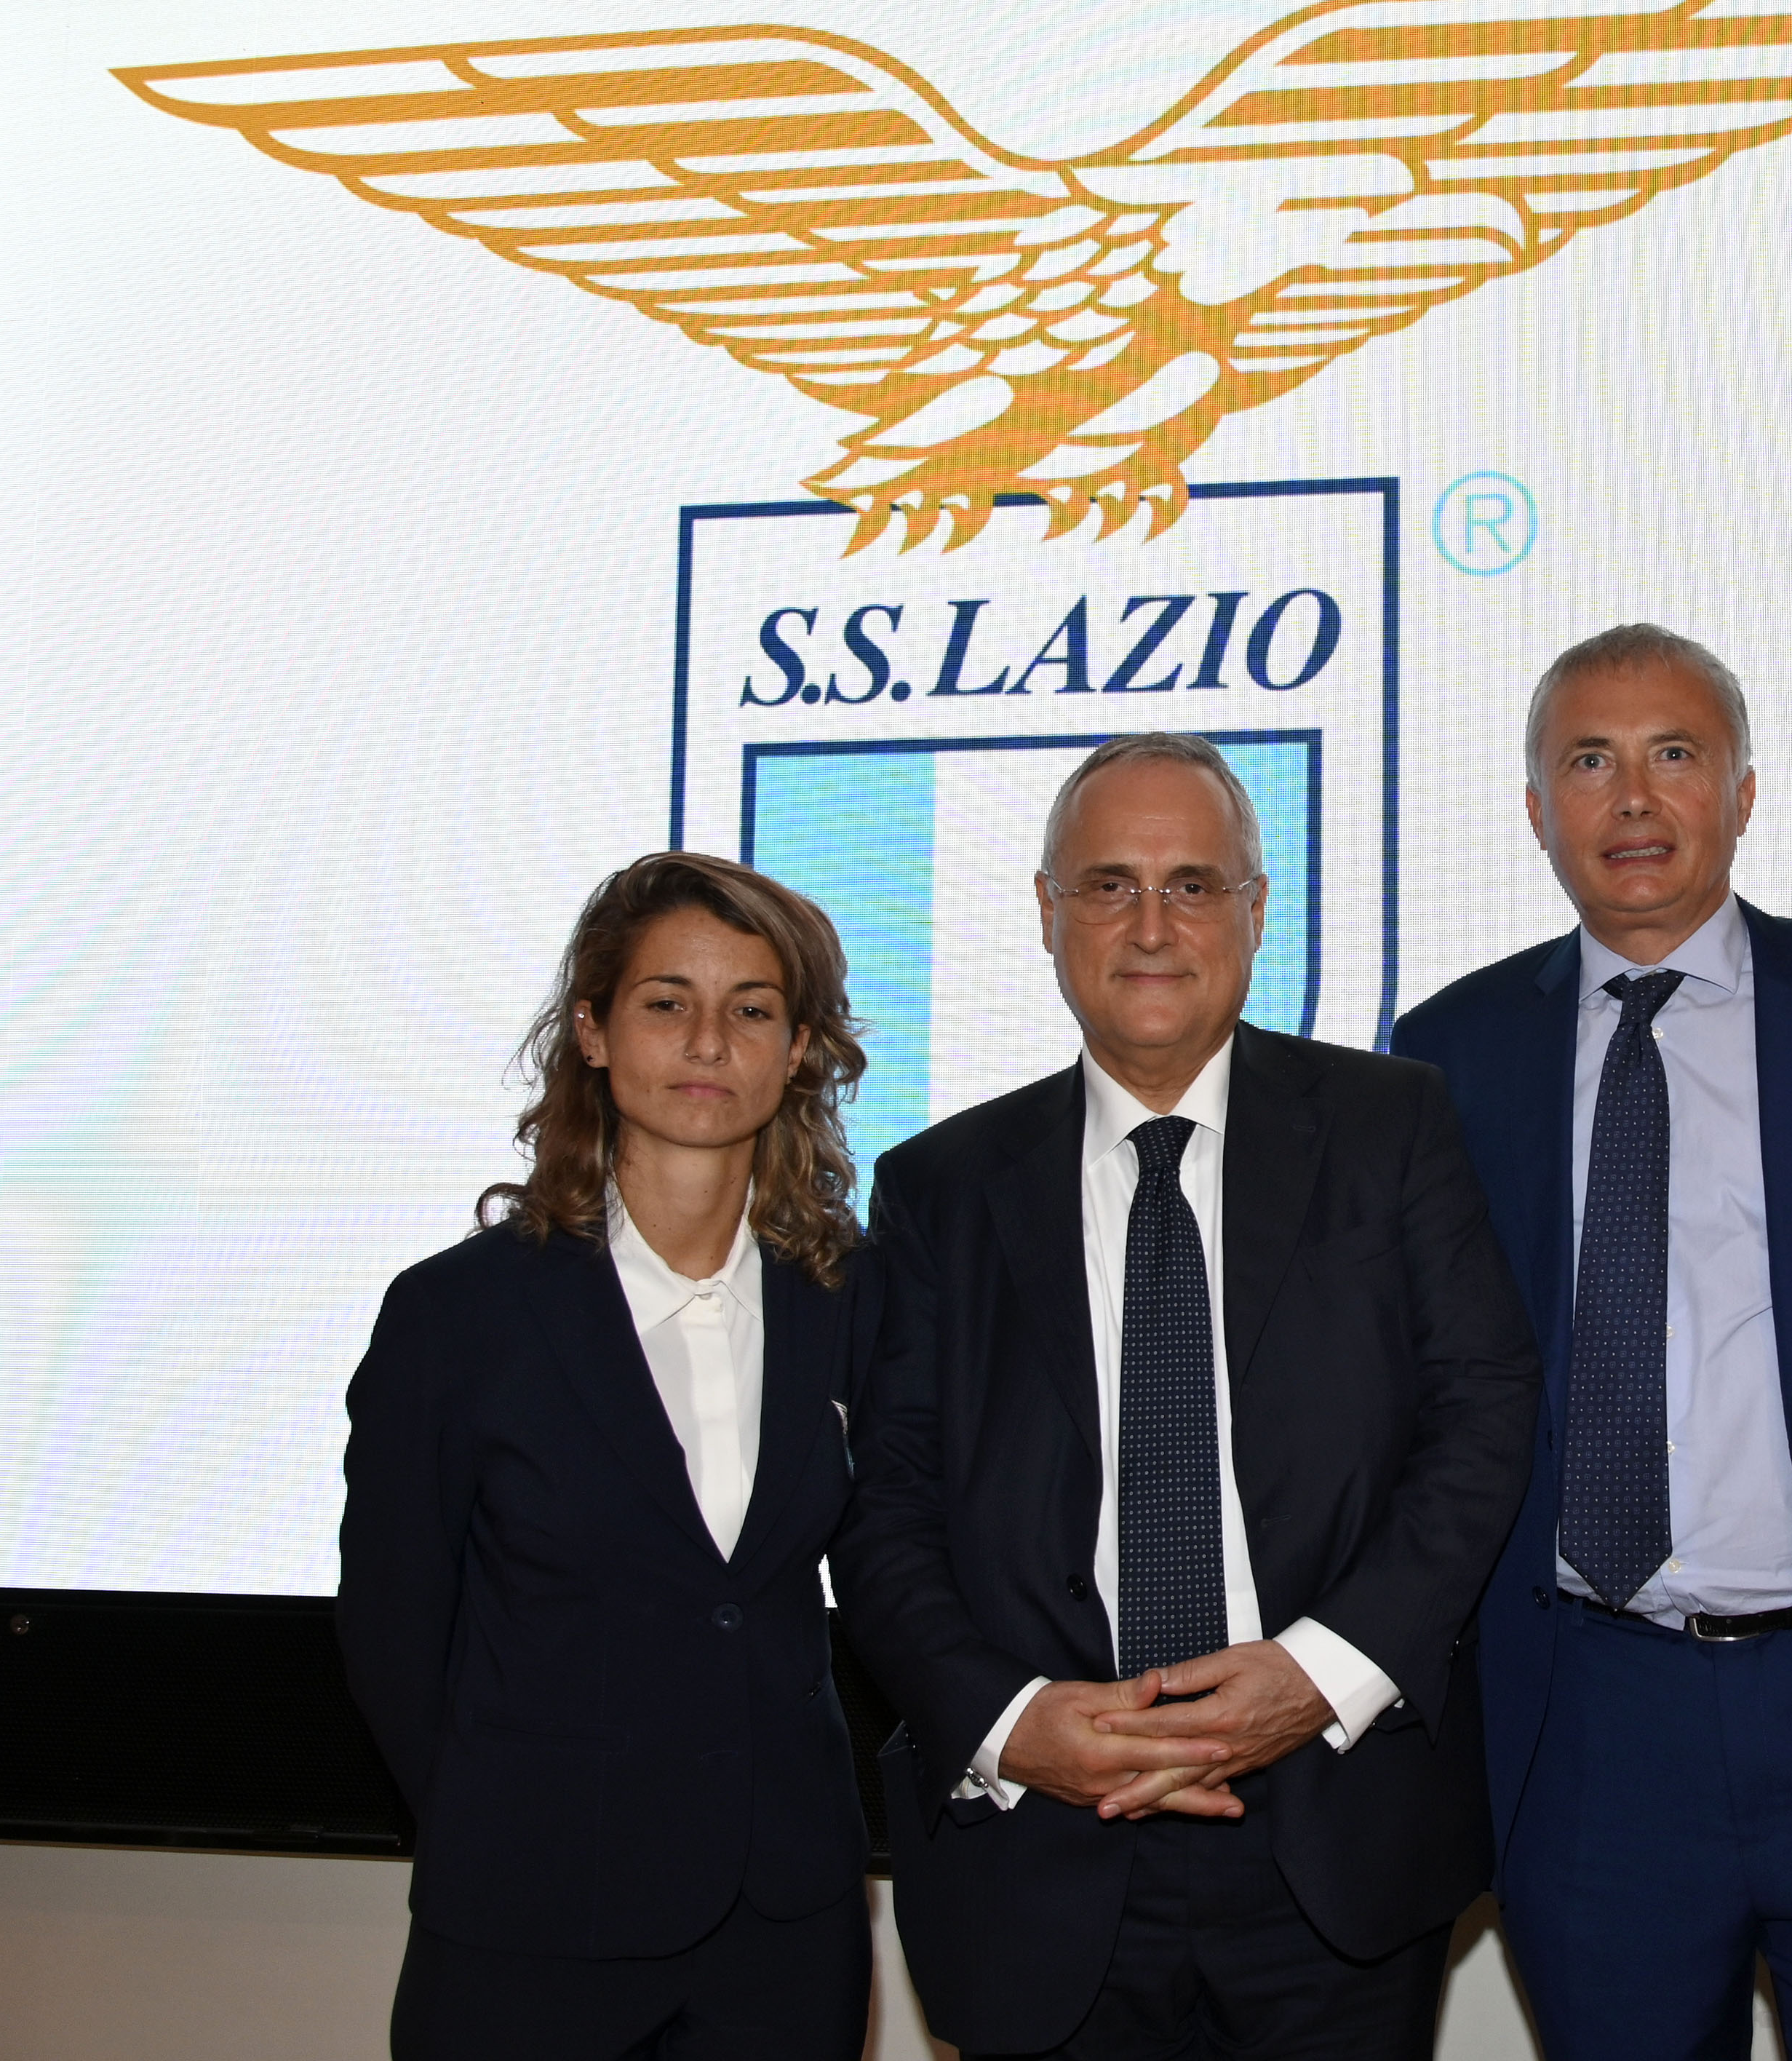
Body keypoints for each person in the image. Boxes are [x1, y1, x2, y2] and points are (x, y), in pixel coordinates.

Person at [830, 732, 1540, 2060]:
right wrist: (1015, 1724)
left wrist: (1317, 1675)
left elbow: (1484, 1415)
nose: (1151, 926)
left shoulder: (1390, 1126)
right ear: (1048, 913)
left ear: (1255, 910)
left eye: (1194, 885)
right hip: (1041, 1853)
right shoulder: (939, 1189)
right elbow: (884, 1512)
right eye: (1108, 885)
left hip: (1332, 1833)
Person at [1390, 624, 1792, 2061]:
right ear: (1536, 810)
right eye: (1589, 762)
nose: (1633, 797)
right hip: (1589, 1723)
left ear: (1742, 792)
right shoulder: (1445, 1054)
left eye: (1674, 754)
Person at [338, 851, 879, 2061]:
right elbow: (393, 1629)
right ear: (591, 1030)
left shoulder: (854, 1299)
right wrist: (504, 1828)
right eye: (665, 1002)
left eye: (752, 1009)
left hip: (784, 1931)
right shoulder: (458, 1315)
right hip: (529, 1922)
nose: (708, 1041)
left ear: (799, 1049)